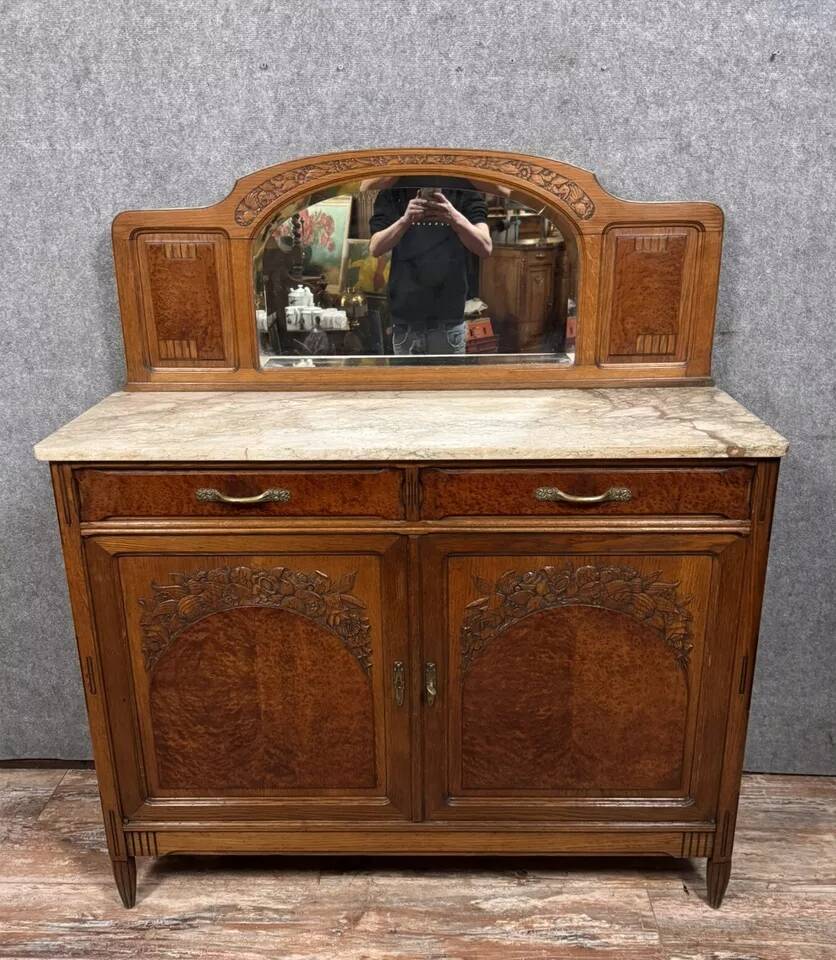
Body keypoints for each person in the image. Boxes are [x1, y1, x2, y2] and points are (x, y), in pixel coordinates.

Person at [368, 178, 492, 355]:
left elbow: (485, 247)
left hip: (448, 323)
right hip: (405, 325)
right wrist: (405, 220)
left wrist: (454, 217)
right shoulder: (393, 192)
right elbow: (375, 247)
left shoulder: (462, 190)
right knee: (408, 384)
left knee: (448, 384)